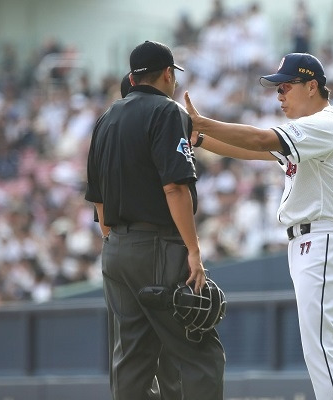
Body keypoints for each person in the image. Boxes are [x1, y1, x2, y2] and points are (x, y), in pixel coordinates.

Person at [184, 52, 333, 400]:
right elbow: (253, 152)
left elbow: (259, 140)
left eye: (285, 87)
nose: (279, 95)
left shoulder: (324, 124)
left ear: (312, 86)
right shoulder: (315, 131)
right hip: (315, 243)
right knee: (321, 352)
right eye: (276, 89)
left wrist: (203, 123)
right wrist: (199, 139)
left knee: (323, 353)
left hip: (324, 240)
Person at [85, 40, 225, 400]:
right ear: (167, 74)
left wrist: (117, 241)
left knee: (133, 362)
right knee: (200, 356)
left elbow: (98, 203)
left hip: (116, 251)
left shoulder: (106, 118)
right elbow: (175, 188)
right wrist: (193, 251)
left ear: (132, 76)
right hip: (159, 249)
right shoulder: (167, 111)